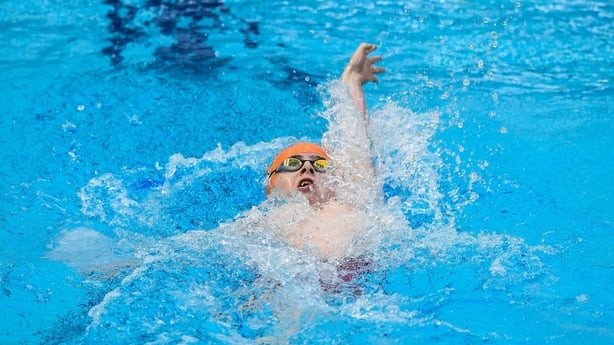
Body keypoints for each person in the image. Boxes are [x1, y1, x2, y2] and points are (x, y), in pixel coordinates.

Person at [265, 43, 385, 261]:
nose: (308, 167)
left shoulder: (349, 202)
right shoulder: (266, 222)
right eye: (293, 163)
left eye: (320, 164)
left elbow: (355, 140)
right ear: (271, 184)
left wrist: (352, 81)